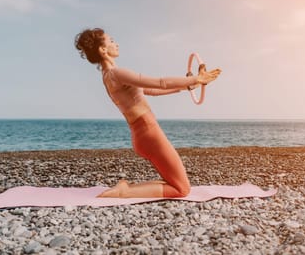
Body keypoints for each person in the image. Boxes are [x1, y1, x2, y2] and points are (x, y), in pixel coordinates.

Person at [74, 28, 221, 198]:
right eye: (111, 40)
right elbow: (161, 82)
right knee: (182, 190)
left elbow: (150, 90)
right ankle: (125, 191)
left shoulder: (110, 75)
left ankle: (126, 188)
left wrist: (187, 86)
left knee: (176, 183)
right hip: (149, 135)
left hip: (144, 134)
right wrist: (196, 79)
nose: (116, 43)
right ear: (103, 50)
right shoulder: (116, 73)